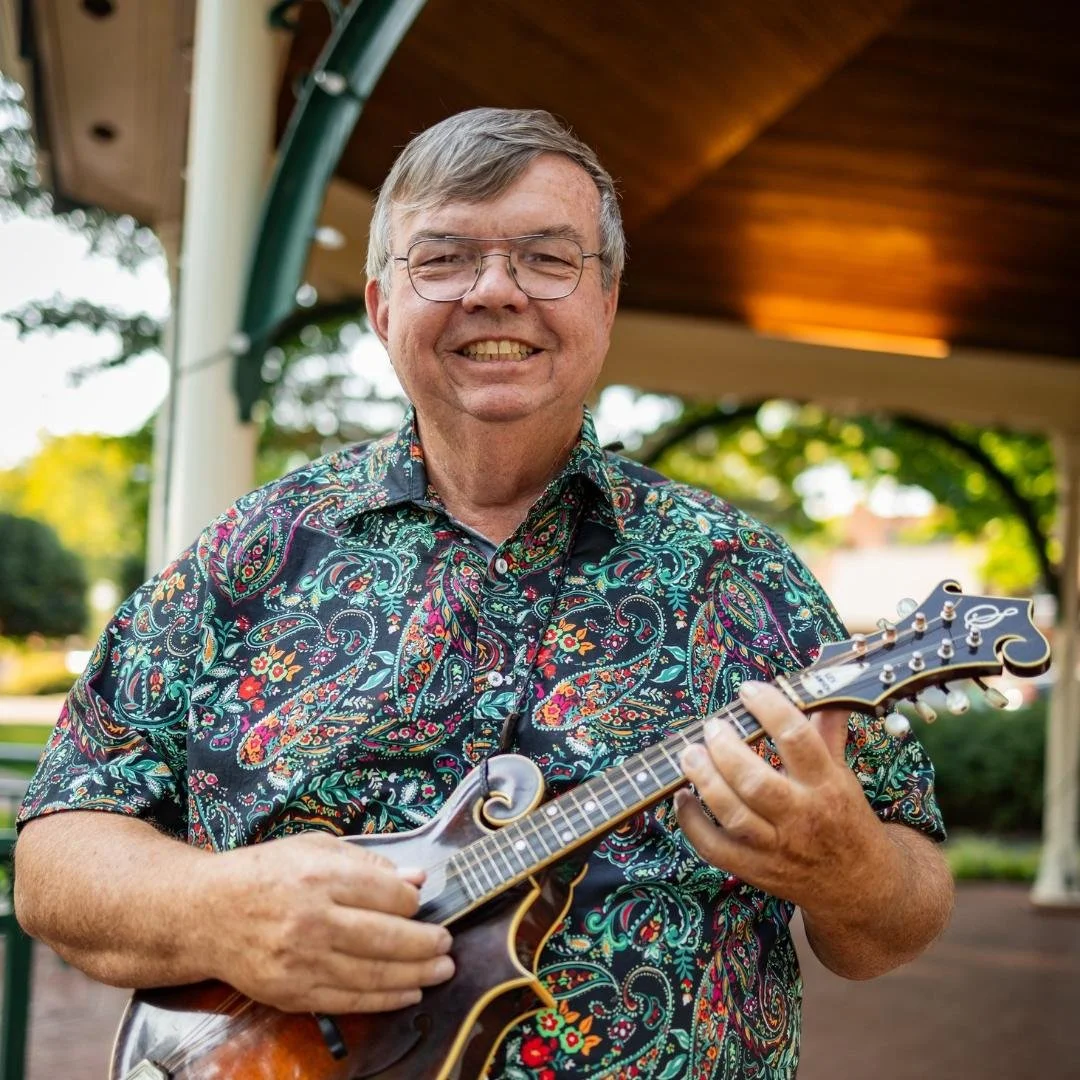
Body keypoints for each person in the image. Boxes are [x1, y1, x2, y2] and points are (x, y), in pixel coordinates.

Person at [14, 107, 952, 1079]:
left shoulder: (750, 581)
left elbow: (899, 914)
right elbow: (58, 851)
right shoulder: (245, 558)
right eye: (445, 259)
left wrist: (851, 870)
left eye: (548, 259)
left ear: (606, 302)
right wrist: (213, 909)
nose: (496, 293)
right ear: (382, 307)